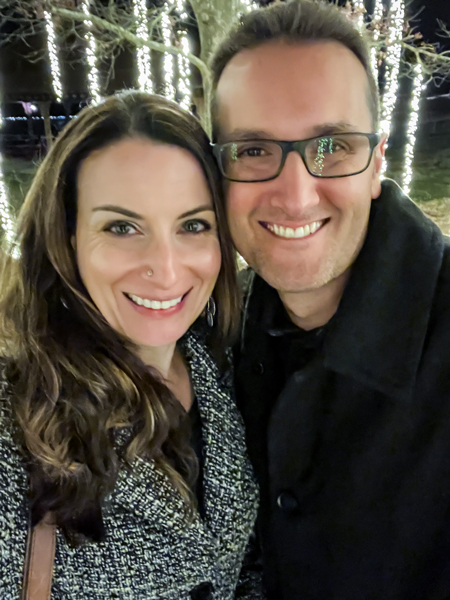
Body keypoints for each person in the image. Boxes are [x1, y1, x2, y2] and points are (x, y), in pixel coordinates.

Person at [210, 1, 450, 599]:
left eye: (333, 146)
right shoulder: (210, 335)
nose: (294, 196)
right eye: (254, 150)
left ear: (376, 165)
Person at [0, 91, 262, 600]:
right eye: (122, 227)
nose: (165, 270)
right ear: (66, 237)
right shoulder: (14, 416)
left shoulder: (227, 364)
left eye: (193, 225)